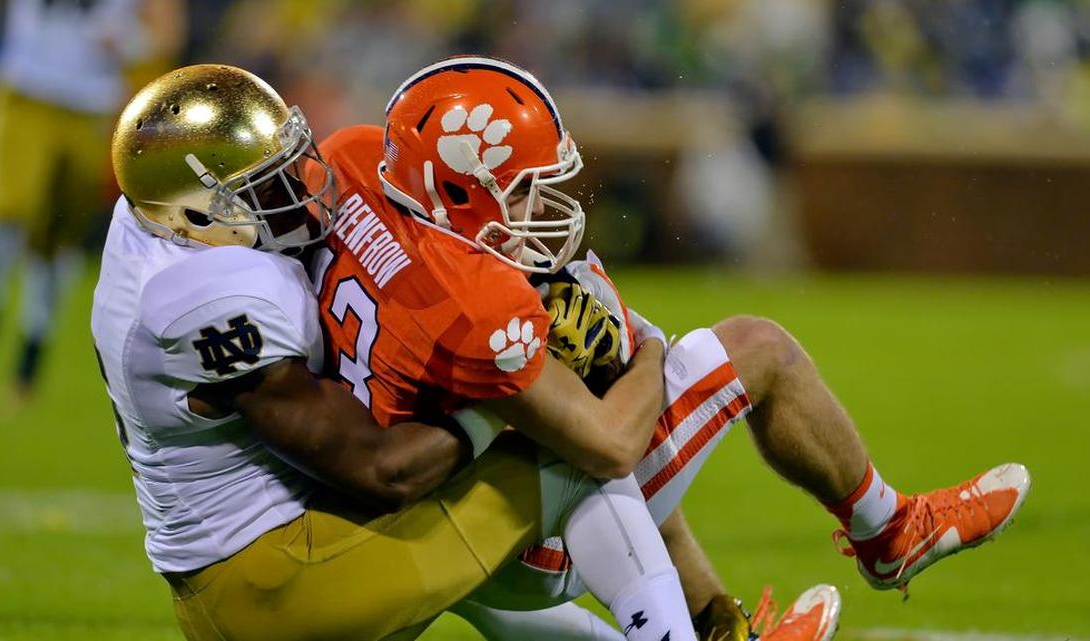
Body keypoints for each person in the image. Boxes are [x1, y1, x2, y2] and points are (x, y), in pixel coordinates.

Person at [332, 55, 1030, 641]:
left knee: (619, 414)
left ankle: (721, 626)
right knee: (750, 351)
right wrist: (646, 351)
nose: (540, 210)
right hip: (500, 537)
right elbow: (610, 446)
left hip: (388, 520)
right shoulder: (476, 302)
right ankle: (890, 531)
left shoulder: (359, 164)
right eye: (521, 193)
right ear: (454, 185)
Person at [95, 62, 706, 641]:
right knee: (568, 447)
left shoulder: (146, 221)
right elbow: (382, 470)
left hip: (246, 571)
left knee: (466, 550)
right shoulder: (210, 298)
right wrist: (503, 400)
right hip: (282, 581)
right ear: (195, 215)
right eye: (263, 187)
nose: (295, 189)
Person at [0, 0, 183, 400]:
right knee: (5, 207)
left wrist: (130, 43)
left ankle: (31, 350)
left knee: (56, 232)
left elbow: (166, 34)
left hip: (90, 106)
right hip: (22, 91)